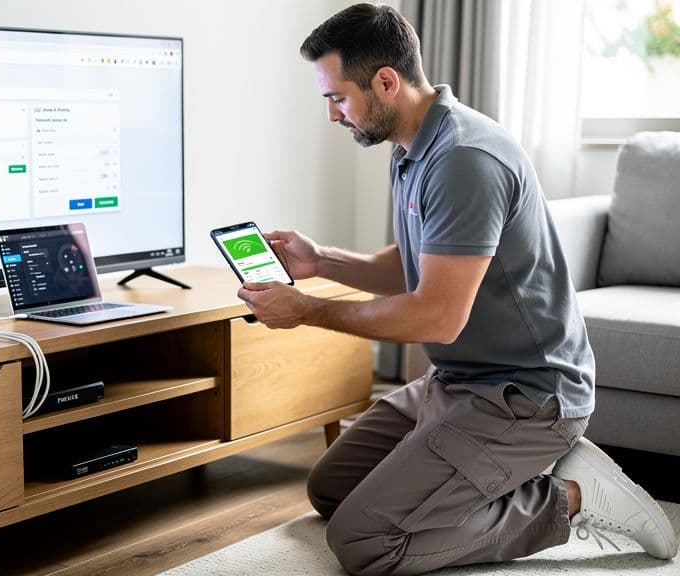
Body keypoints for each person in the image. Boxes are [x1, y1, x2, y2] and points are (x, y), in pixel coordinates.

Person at [236, 4, 678, 575]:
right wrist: (320, 260)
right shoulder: (412, 146)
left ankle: (570, 497)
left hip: (526, 396)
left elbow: (436, 316)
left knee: (366, 542)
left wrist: (306, 311)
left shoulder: (463, 158)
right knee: (333, 489)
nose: (331, 114)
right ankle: (500, 470)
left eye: (337, 97)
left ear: (386, 82)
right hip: (460, 381)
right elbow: (417, 264)